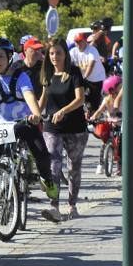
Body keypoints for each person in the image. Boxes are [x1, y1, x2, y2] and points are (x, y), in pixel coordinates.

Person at [0, 37, 57, 203]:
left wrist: (35, 115)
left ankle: (47, 180)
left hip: (23, 123)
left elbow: (30, 96)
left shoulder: (21, 75)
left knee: (42, 155)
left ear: (9, 56)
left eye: (0, 56)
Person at [39, 39, 89, 221]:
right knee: (54, 163)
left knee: (74, 167)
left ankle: (72, 205)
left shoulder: (74, 73)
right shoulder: (48, 75)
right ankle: (54, 206)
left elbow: (80, 99)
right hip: (52, 127)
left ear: (65, 55)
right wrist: (33, 113)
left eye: (58, 53)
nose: (54, 57)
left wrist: (62, 111)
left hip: (75, 128)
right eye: (51, 53)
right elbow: (42, 100)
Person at [69, 32, 106, 114]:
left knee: (94, 102)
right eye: (76, 42)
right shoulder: (73, 51)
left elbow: (90, 66)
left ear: (85, 41)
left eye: (80, 41)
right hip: (84, 79)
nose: (78, 44)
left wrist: (84, 78)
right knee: (80, 98)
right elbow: (68, 64)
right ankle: (85, 114)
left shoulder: (92, 50)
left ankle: (94, 117)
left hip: (96, 79)